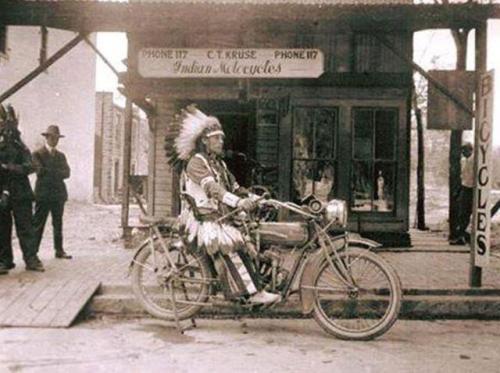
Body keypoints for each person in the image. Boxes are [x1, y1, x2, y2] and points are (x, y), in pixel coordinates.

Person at [166, 105, 280, 304]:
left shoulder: (219, 164)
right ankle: (253, 294)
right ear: (204, 140)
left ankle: (257, 282)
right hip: (202, 219)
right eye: (216, 138)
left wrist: (256, 198)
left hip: (218, 215)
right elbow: (212, 189)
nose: (221, 141)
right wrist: (238, 202)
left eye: (221, 138)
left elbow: (235, 187)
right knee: (230, 246)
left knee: (253, 235)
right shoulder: (196, 162)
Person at [0, 104, 44, 274]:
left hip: (21, 193)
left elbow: (32, 166)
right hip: (3, 194)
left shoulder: (20, 147)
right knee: (2, 229)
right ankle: (5, 261)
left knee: (25, 228)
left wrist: (9, 167)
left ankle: (31, 259)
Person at [32, 125, 72, 259]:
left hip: (58, 195)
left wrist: (49, 171)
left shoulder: (61, 156)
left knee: (58, 224)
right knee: (38, 224)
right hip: (43, 195)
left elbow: (67, 173)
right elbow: (40, 171)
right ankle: (32, 253)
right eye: (52, 137)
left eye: (57, 138)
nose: (55, 140)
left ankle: (59, 250)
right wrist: (56, 172)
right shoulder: (37, 154)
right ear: (47, 137)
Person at [450, 142, 474, 245]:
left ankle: (469, 236)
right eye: (462, 151)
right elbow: (462, 177)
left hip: (474, 189)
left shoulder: (475, 160)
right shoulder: (463, 161)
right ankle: (461, 236)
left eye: (465, 150)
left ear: (471, 150)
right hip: (465, 188)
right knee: (463, 213)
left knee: (472, 212)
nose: (463, 153)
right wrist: (459, 190)